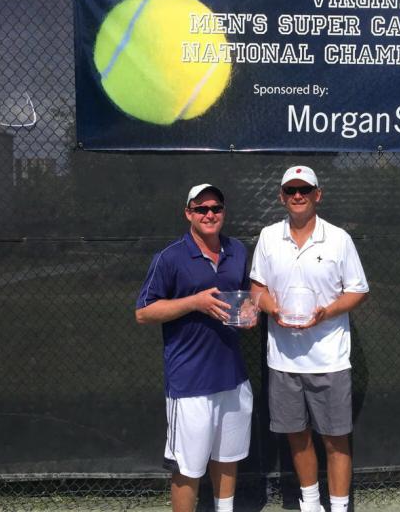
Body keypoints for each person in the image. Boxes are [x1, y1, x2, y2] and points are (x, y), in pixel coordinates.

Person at [250, 166, 369, 512]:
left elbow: (358, 290)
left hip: (329, 359)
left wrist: (325, 313)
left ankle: (339, 506)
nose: (297, 195)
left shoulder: (338, 239)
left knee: (336, 441)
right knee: (297, 436)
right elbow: (257, 287)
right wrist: (275, 311)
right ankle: (311, 504)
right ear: (281, 197)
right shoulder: (269, 237)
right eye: (291, 190)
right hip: (283, 360)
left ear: (318, 194)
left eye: (305, 189)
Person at [135, 183, 256, 512]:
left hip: (233, 377)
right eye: (201, 209)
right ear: (188, 213)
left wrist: (248, 312)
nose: (209, 214)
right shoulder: (170, 257)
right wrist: (195, 303)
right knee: (187, 469)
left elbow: (246, 297)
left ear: (223, 213)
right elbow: (144, 312)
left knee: (227, 457)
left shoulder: (238, 251)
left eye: (216, 208)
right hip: (190, 383)